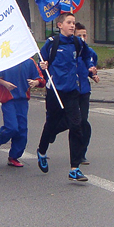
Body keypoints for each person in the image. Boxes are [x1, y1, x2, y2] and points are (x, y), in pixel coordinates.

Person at [37, 12, 97, 182]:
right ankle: (41, 151)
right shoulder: (51, 43)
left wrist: (91, 67)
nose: (72, 25)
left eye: (73, 22)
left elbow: (87, 56)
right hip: (55, 90)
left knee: (76, 126)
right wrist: (43, 66)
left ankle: (74, 168)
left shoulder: (77, 42)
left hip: (72, 91)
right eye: (69, 22)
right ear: (60, 25)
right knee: (51, 123)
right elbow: (42, 63)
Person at [0, 59, 45, 167]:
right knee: (12, 127)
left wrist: (36, 82)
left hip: (22, 99)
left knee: (22, 129)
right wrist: (5, 83)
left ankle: (13, 157)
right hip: (8, 98)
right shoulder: (5, 58)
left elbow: (41, 79)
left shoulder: (29, 61)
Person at [74, 22, 99, 165]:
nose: (83, 38)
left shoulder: (89, 52)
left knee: (83, 121)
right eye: (79, 35)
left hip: (84, 91)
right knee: (67, 122)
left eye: (84, 35)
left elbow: (90, 67)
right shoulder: (71, 52)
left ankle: (81, 152)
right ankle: (49, 136)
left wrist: (93, 75)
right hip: (70, 91)